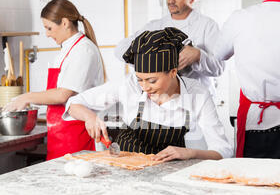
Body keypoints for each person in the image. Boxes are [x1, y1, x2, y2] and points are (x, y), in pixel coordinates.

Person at [64, 28, 233, 162]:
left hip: (168, 177)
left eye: (152, 81)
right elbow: (74, 103)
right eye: (140, 79)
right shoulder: (129, 84)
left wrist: (190, 153)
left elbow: (223, 151)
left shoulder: (197, 94)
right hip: (123, 171)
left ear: (173, 72)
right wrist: (90, 117)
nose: (145, 87)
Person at [197, 0, 280, 159]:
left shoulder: (242, 18)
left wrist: (194, 53)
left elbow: (216, 57)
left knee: (253, 184)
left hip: (257, 123)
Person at [4, 0, 105, 160]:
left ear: (64, 23)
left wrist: (26, 97)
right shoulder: (66, 50)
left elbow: (62, 95)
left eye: (49, 28)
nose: (47, 34)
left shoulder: (83, 50)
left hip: (78, 135)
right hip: (59, 135)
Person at [114, 0, 225, 95]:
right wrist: (150, 58)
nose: (171, 0)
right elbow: (120, 49)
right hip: (163, 100)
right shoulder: (154, 26)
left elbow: (219, 68)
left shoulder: (207, 25)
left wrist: (198, 55)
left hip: (196, 98)